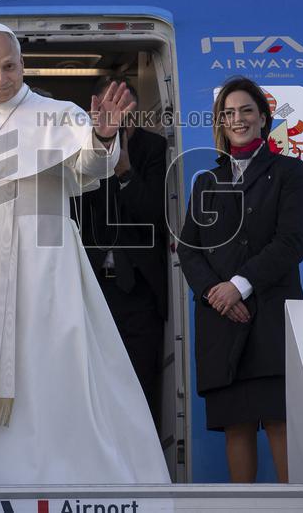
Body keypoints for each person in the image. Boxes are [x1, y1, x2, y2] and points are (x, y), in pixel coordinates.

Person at [0, 22, 169, 486]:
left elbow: (90, 168)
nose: (1, 78)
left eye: (10, 67)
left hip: (45, 263)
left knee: (49, 369)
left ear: (22, 64)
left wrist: (103, 138)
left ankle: (57, 476)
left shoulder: (56, 114)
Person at [176, 76, 303, 483]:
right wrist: (214, 292)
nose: (238, 120)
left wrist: (239, 285)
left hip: (270, 316)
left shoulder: (289, 172)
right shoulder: (206, 182)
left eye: (246, 111)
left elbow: (292, 242)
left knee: (279, 421)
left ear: (264, 118)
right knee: (235, 425)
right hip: (220, 318)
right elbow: (189, 249)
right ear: (221, 123)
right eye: (229, 113)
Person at [73, 78, 168, 427]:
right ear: (95, 108)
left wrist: (125, 171)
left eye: (125, 107)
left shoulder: (154, 149)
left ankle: (145, 476)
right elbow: (73, 216)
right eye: (110, 106)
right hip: (91, 288)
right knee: (93, 388)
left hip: (140, 290)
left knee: (141, 387)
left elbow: (155, 216)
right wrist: (100, 156)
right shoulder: (77, 150)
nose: (118, 115)